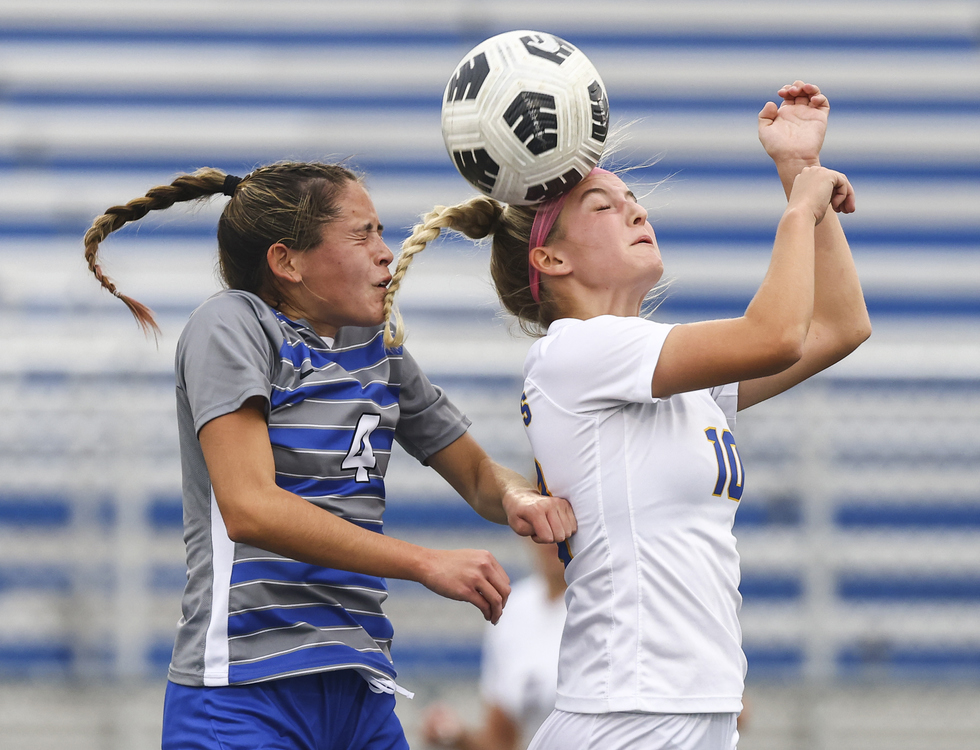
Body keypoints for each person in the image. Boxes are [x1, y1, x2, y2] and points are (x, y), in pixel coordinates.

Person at [384, 82, 871, 750]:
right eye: (602, 205)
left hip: (693, 705)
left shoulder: (655, 365)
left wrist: (800, 172)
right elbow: (780, 334)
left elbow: (840, 327)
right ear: (550, 259)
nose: (634, 210)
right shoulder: (577, 351)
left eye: (633, 200)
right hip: (628, 712)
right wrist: (797, 212)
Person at [82, 161, 576, 750]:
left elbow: (475, 473)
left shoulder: (378, 348)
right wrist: (424, 562)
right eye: (363, 234)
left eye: (382, 233)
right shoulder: (232, 325)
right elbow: (250, 508)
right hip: (244, 690)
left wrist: (521, 497)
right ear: (287, 261)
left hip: (360, 690)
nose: (386, 254)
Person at [421, 540, 568, 750]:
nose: (554, 538)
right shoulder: (513, 608)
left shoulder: (604, 608)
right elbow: (501, 741)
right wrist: (458, 737)